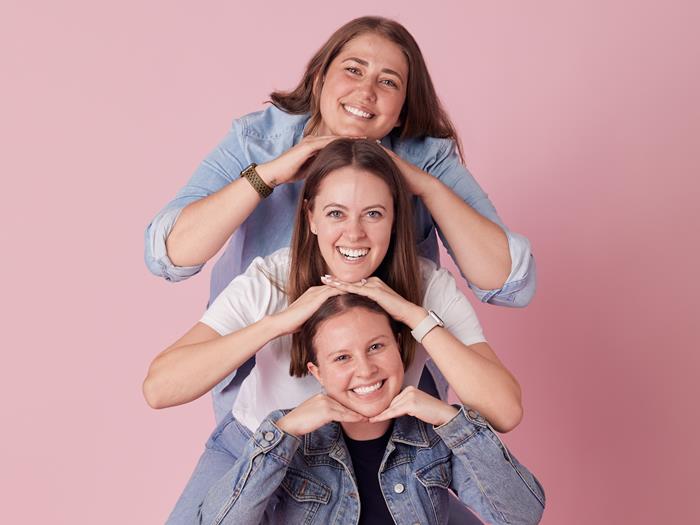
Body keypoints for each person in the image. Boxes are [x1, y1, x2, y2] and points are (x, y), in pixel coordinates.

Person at [144, 15, 536, 423]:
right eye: (353, 70)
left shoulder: (425, 186)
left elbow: (508, 283)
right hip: (265, 387)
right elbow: (169, 255)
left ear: (403, 110)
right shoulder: (267, 268)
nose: (366, 92)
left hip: (387, 394)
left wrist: (427, 186)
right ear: (319, 80)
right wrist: (270, 174)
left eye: (388, 82)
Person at [143, 139, 524, 524]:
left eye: (373, 213)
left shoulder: (428, 287)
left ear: (395, 217)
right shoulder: (272, 279)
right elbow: (160, 388)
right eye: (336, 213)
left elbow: (504, 411)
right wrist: (279, 323)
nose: (354, 233)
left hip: (384, 458)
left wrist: (416, 317)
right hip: (264, 451)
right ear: (311, 217)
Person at [198, 294, 546, 525]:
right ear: (317, 373)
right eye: (342, 357)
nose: (365, 370)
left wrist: (451, 419)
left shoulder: (434, 439)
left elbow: (521, 515)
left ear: (399, 349)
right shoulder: (290, 441)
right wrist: (284, 433)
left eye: (376, 346)